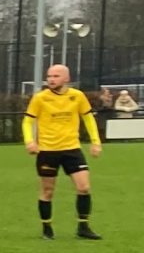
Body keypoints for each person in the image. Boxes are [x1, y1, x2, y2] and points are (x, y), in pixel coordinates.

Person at [25, 63, 102, 240]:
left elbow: (88, 119)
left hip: (72, 149)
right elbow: (28, 121)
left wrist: (96, 142)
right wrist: (30, 141)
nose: (51, 79)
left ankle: (83, 227)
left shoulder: (77, 96)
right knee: (47, 191)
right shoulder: (40, 98)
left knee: (84, 187)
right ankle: (47, 228)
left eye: (56, 76)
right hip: (48, 151)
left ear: (66, 78)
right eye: (49, 76)